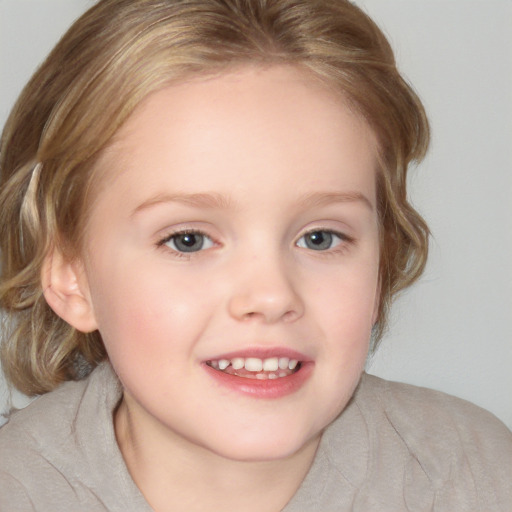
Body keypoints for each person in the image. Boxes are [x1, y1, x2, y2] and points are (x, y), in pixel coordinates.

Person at [0, 0, 510, 510]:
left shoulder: (475, 476)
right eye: (188, 240)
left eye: (320, 238)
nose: (270, 297)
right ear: (70, 274)